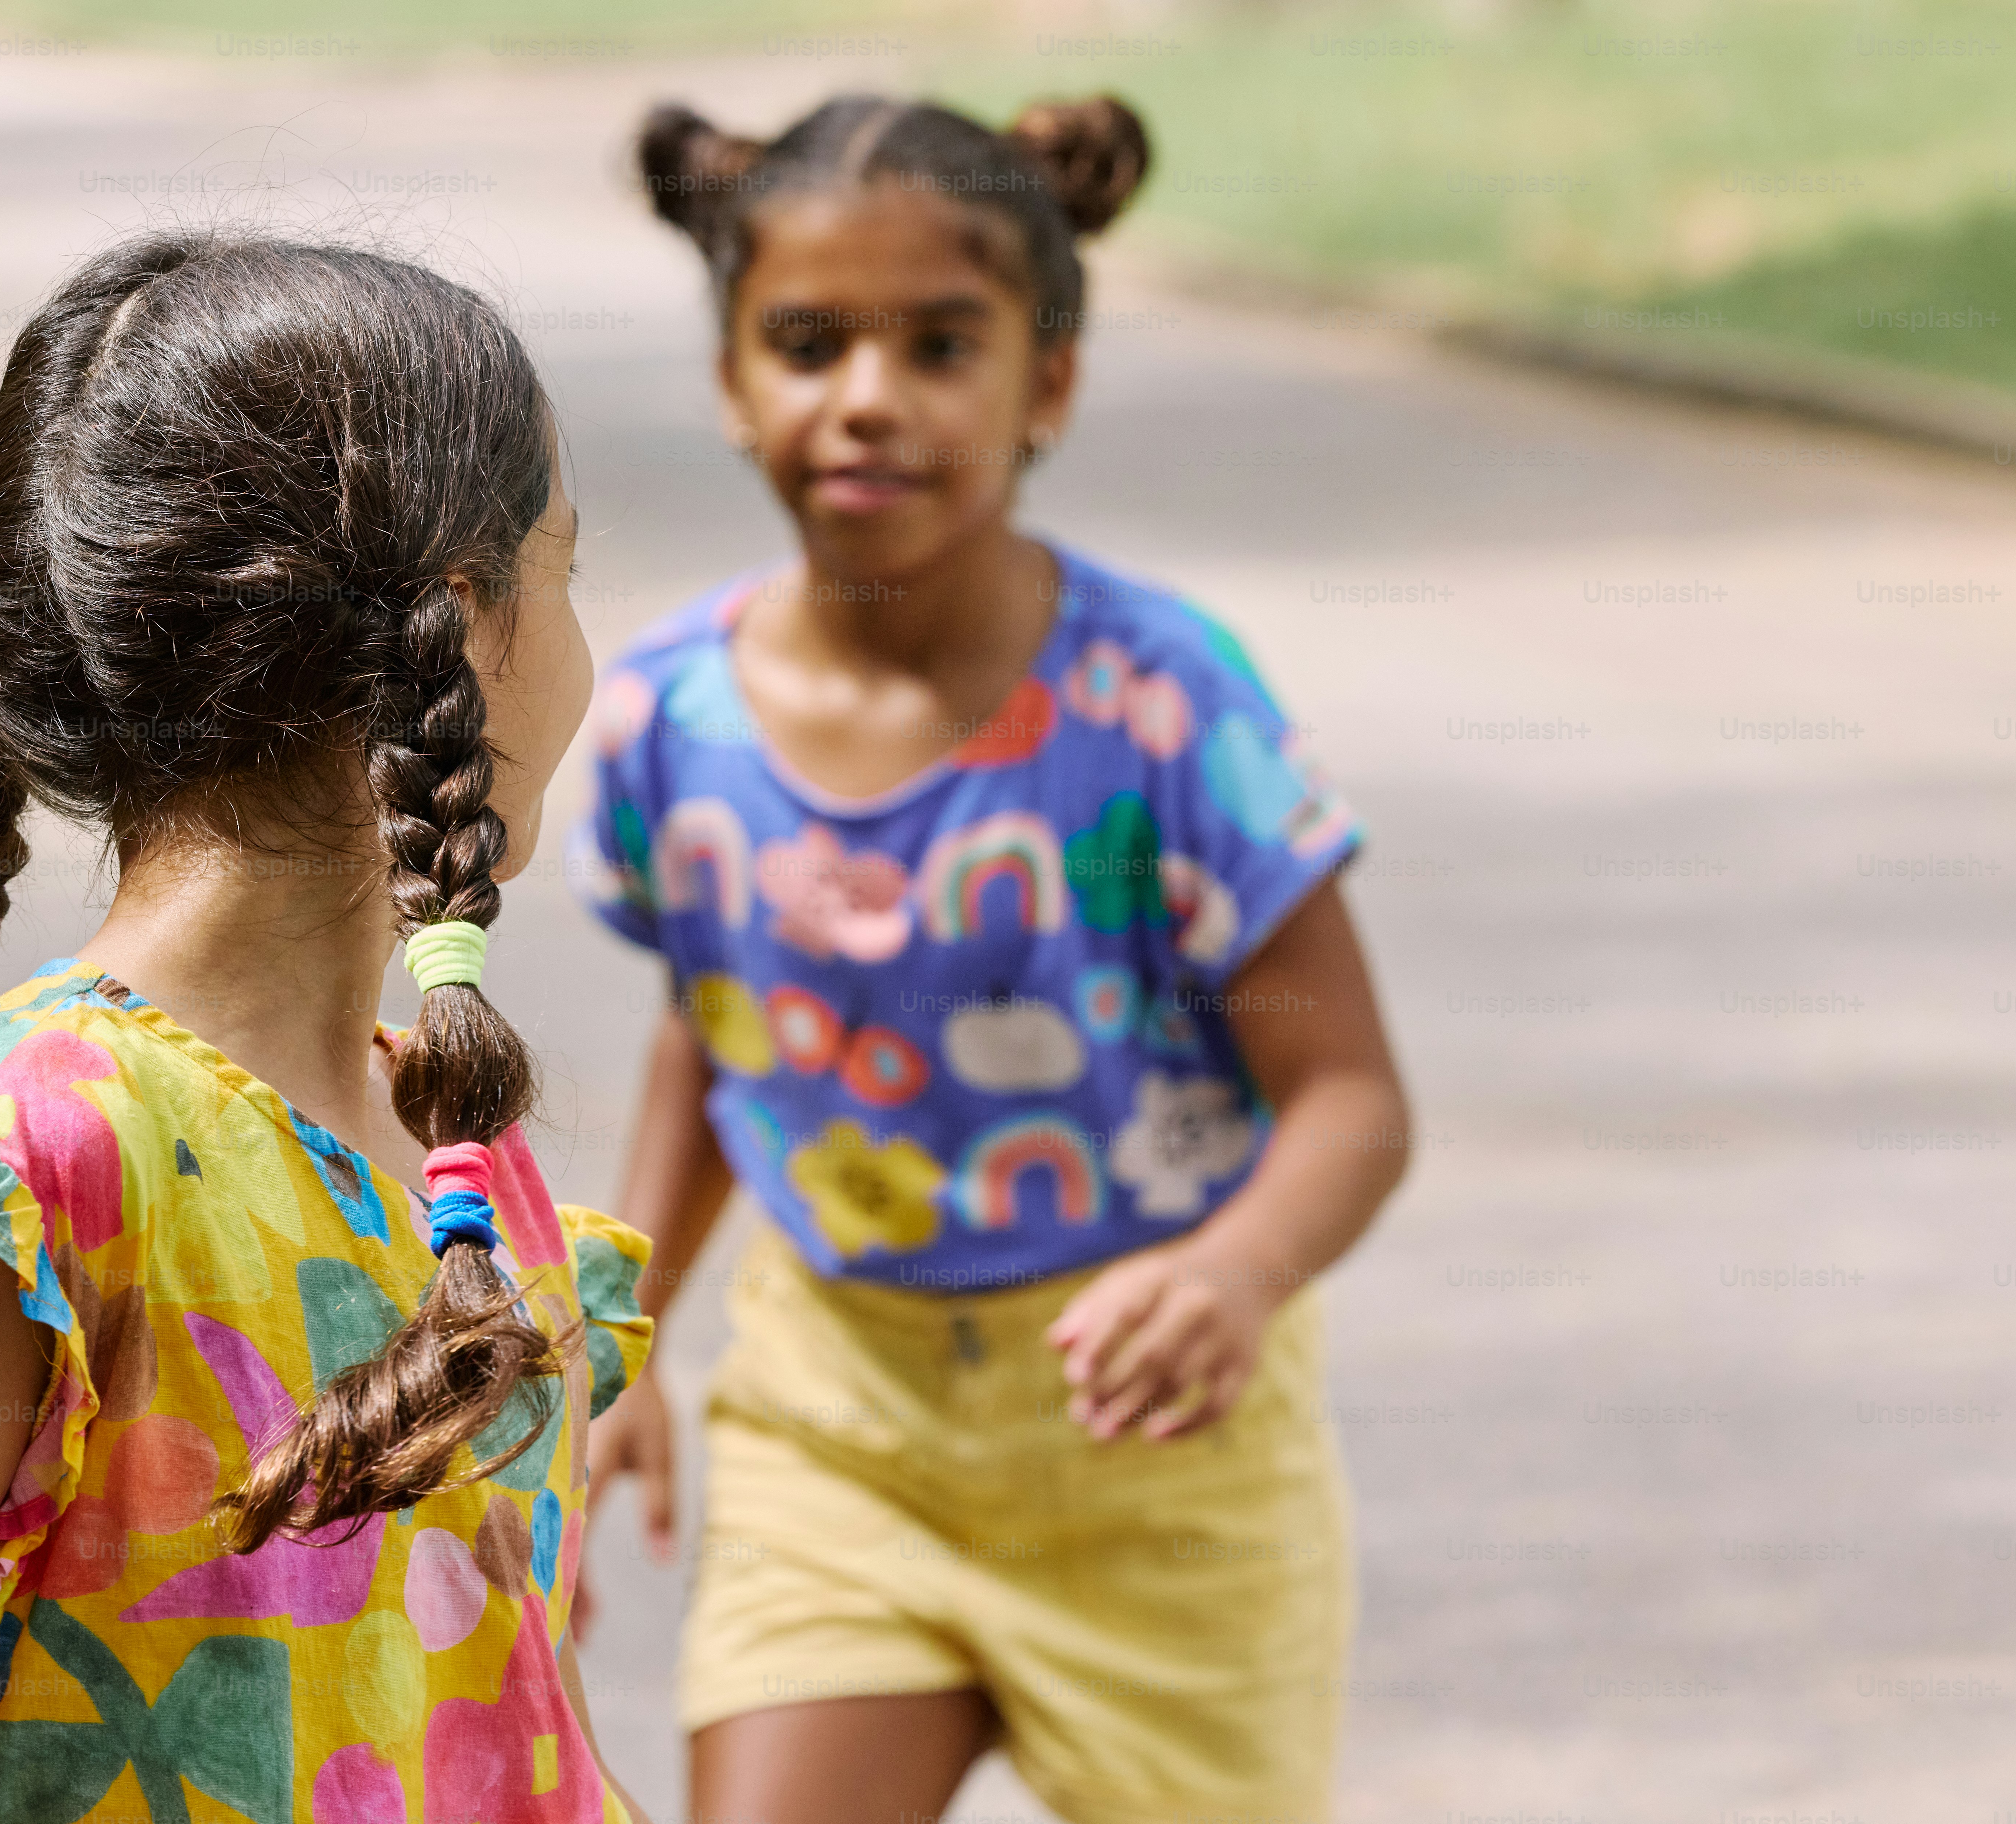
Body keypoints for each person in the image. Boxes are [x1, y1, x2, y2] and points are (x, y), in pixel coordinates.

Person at [0, 230, 655, 1824]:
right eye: (566, 571)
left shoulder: (465, 1162)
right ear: (462, 621)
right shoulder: (37, 1166)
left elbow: (524, 1734)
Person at [572, 95, 1413, 1824]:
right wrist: (620, 1343)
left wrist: (1241, 1271)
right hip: (840, 1434)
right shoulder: (673, 716)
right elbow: (715, 1037)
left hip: (1163, 1474)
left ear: (1050, 384)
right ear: (734, 386)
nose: (867, 395)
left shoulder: (1163, 704)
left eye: (940, 345)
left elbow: (1350, 1101)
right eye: (807, 343)